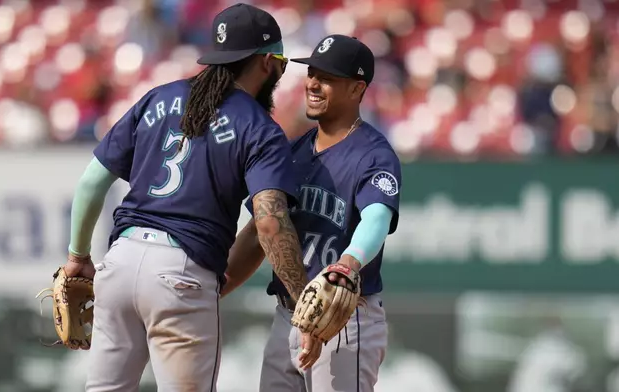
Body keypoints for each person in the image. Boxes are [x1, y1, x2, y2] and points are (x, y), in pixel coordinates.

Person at [62, 3, 310, 391]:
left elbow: (92, 181)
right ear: (266, 62)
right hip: (181, 271)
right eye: (280, 61)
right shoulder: (260, 128)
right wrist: (301, 299)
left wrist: (78, 257)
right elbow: (269, 221)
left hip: (120, 262)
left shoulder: (158, 97)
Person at [222, 34, 402, 391]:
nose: (314, 84)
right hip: (288, 314)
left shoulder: (374, 154)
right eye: (312, 73)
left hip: (342, 316)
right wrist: (212, 288)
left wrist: (348, 264)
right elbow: (261, 230)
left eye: (328, 78)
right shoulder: (292, 151)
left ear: (357, 88)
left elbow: (377, 218)